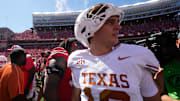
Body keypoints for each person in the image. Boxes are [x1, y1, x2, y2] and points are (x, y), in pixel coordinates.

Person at [68, 3, 161, 101]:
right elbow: (76, 96)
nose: (118, 27)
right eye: (110, 22)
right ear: (91, 29)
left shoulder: (136, 56)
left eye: (117, 22)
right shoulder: (77, 59)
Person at [154, 32, 180, 101]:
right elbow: (160, 95)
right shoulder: (162, 74)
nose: (165, 50)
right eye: (162, 46)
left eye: (168, 45)